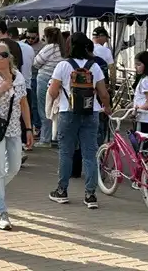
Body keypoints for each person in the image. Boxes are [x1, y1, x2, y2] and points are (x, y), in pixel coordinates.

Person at [47, 32, 111, 208]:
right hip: (92, 113)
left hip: (68, 113)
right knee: (90, 154)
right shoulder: (95, 66)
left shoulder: (62, 65)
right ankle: (90, 195)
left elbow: (52, 92)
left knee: (66, 153)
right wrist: (107, 107)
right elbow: (103, 93)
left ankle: (62, 191)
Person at [0, 42, 32, 230]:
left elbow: (24, 104)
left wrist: (28, 128)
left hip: (13, 129)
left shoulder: (18, 77)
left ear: (9, 56)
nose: (0, 59)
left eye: (3, 55)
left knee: (15, 166)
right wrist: (0, 89)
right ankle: (1, 212)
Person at [33, 27, 66, 147]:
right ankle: (56, 136)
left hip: (45, 78)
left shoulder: (49, 48)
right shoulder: (63, 49)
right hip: (59, 81)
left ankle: (45, 138)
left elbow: (36, 62)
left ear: (47, 37)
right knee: (56, 109)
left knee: (44, 109)